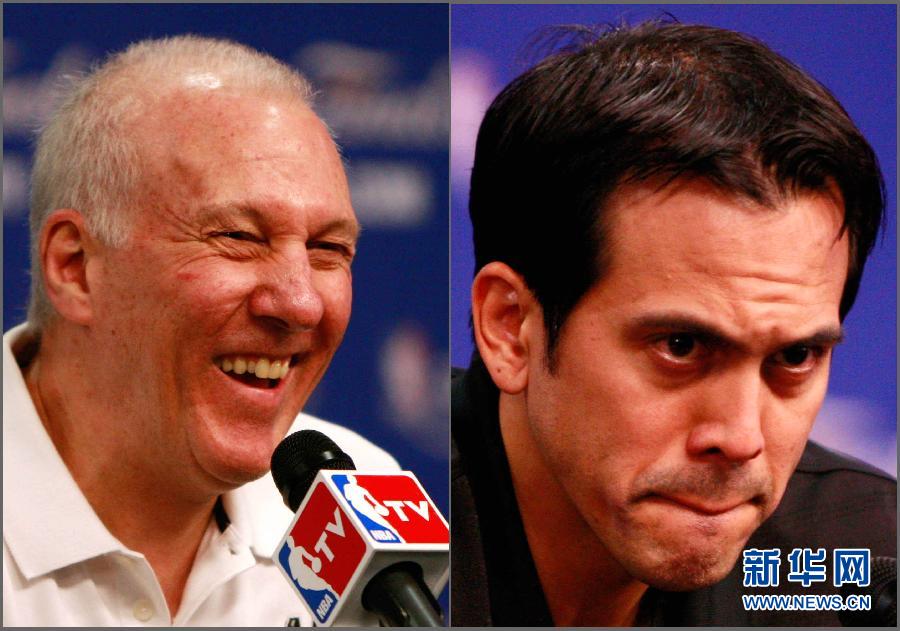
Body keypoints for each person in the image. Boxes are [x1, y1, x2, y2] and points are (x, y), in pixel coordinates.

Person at [451, 21, 896, 626]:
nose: (741, 440)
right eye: (681, 347)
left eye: (793, 358)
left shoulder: (850, 569)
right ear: (511, 328)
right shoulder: (340, 547)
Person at [3, 35, 401, 626]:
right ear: (76, 268)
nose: (299, 304)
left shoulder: (364, 498)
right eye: (238, 237)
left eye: (328, 249)